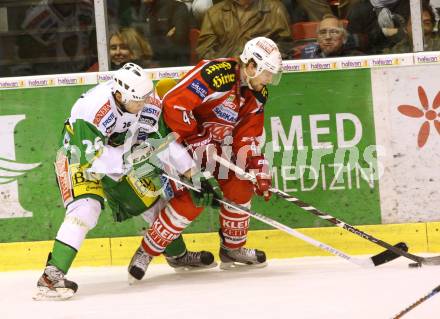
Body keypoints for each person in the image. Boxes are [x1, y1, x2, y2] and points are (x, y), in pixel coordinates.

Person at [33, 63, 215, 301]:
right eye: (137, 101)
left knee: (150, 201)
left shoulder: (146, 102)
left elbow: (163, 143)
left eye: (145, 99)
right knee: (87, 208)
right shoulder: (92, 109)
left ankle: (177, 255)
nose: (143, 105)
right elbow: (90, 157)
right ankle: (51, 277)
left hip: (119, 157)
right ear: (119, 95)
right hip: (77, 156)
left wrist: (193, 174)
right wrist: (127, 161)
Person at [126, 37, 283, 281]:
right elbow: (174, 105)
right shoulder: (215, 74)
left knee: (241, 184)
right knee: (194, 198)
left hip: (213, 147)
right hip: (177, 140)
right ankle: (146, 252)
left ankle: (232, 250)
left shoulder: (258, 93)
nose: (269, 80)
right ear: (251, 66)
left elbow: (247, 136)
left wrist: (258, 167)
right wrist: (198, 140)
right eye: (267, 73)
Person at [195, 0, 293, 60]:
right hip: (224, 77)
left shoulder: (275, 10)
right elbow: (204, 51)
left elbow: (285, 46)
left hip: (262, 76)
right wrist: (228, 65)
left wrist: (256, 59)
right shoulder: (214, 13)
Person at [88, 27, 155, 72]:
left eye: (124, 47)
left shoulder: (150, 69)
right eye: (113, 48)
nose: (118, 52)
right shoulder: (99, 69)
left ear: (135, 49)